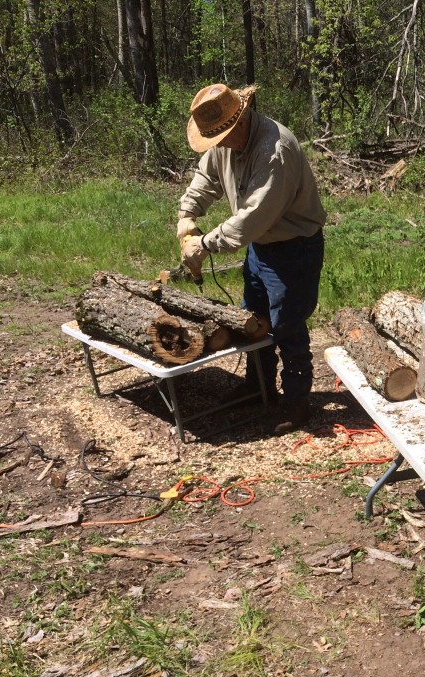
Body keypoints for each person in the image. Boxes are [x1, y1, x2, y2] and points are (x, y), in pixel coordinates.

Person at [177, 83, 327, 436]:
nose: (220, 146)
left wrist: (204, 244)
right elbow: (206, 178)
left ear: (241, 120)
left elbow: (250, 219)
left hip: (294, 249)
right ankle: (259, 386)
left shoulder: (274, 150)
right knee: (252, 320)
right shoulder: (224, 141)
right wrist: (187, 212)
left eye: (224, 137)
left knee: (287, 326)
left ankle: (296, 401)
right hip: (261, 248)